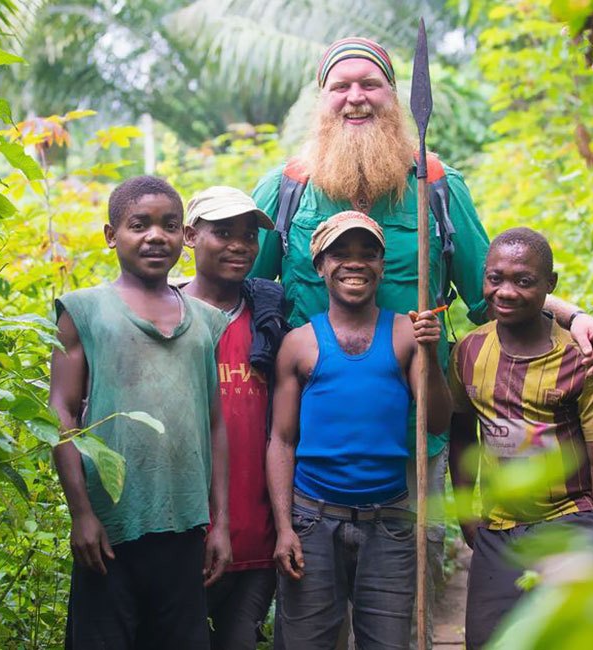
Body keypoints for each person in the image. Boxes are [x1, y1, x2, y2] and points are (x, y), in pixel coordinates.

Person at [251, 36, 593, 646]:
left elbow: (489, 291)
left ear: (393, 97)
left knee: (400, 595)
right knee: (313, 604)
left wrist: (571, 313)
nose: (355, 97)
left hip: (421, 432)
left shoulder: (436, 184)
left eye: (371, 84)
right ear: (322, 99)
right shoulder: (288, 189)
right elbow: (244, 290)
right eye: (342, 86)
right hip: (316, 433)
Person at [50, 176, 231, 649]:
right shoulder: (85, 310)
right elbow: (62, 413)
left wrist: (221, 523)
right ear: (112, 235)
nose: (156, 236)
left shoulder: (206, 321)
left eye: (170, 225)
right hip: (109, 531)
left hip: (184, 527)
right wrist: (81, 515)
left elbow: (213, 425)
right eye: (139, 225)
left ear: (184, 236)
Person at [267, 211, 453, 649]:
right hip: (312, 519)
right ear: (319, 267)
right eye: (340, 254)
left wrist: (431, 353)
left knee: (388, 642)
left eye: (367, 254)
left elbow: (439, 421)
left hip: (388, 522)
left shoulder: (408, 333)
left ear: (382, 267)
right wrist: (283, 528)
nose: (355, 263)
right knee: (306, 641)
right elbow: (281, 440)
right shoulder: (299, 343)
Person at [447, 227, 593, 650]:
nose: (505, 292)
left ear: (550, 286)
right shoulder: (469, 352)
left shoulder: (581, 360)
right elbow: (462, 434)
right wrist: (466, 513)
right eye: (495, 278)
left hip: (571, 522)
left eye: (523, 281)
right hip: (499, 528)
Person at [180, 186, 289, 649]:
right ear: (189, 236)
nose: (240, 245)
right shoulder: (167, 316)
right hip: (183, 538)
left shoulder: (270, 321)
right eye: (223, 233)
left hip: (257, 537)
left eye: (249, 235)